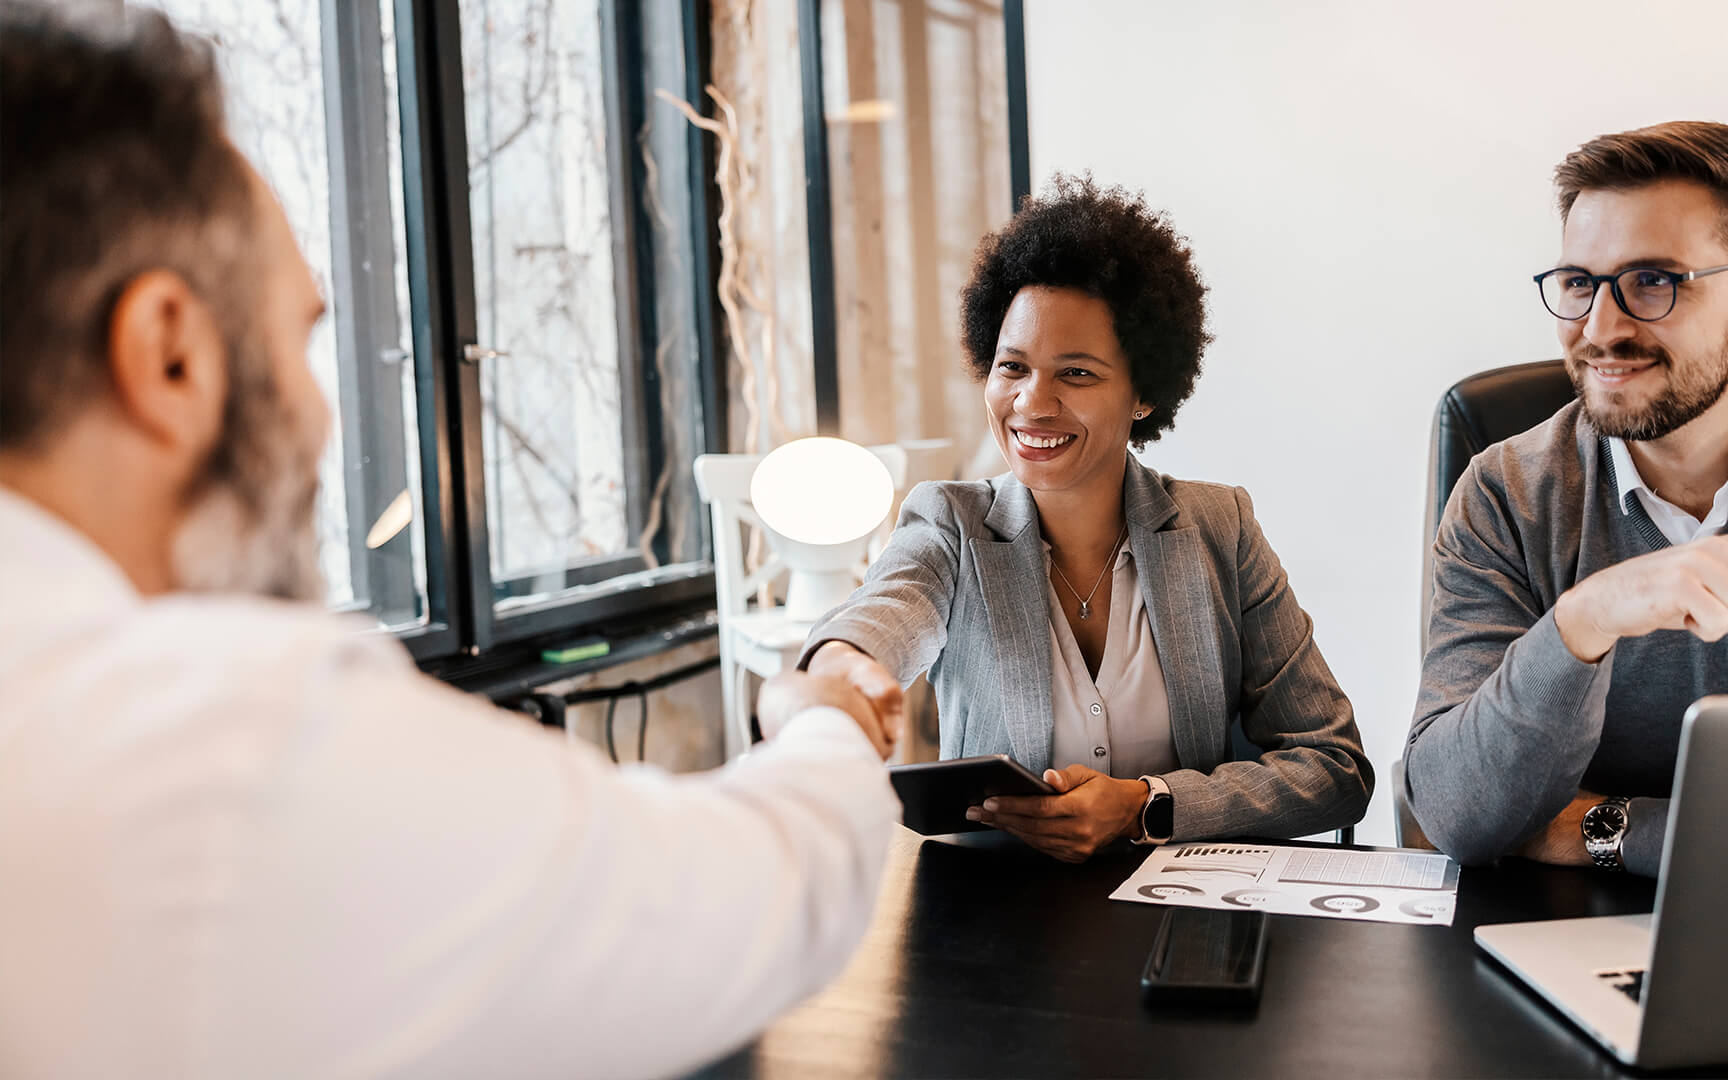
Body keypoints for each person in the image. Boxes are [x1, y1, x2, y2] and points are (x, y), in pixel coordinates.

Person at [0, 6, 899, 1077]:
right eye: (297, 337)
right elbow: (766, 891)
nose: (326, 417)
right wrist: (821, 715)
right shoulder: (218, 747)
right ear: (170, 355)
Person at [801, 175, 1373, 863]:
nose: (1031, 404)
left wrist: (1146, 805)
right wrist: (843, 665)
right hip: (996, 923)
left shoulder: (1223, 528)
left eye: (1076, 374)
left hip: (1184, 915)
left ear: (1143, 394)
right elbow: (884, 614)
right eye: (1012, 367)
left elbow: (1335, 769)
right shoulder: (950, 526)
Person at [1406, 121, 1728, 877]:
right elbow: (1455, 809)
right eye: (1581, 283)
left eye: (1654, 280)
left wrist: (1605, 829)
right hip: (1558, 940)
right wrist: (1587, 617)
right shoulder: (1507, 493)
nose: (1601, 330)